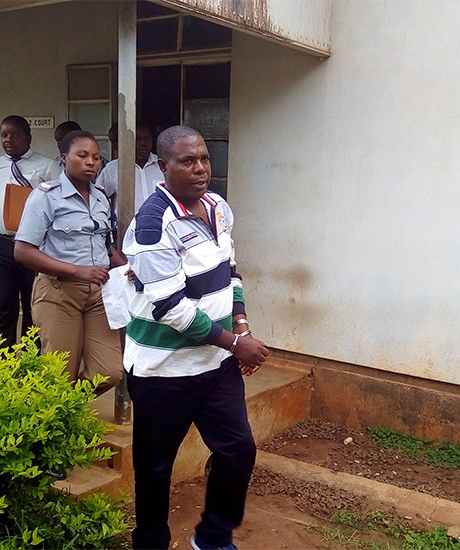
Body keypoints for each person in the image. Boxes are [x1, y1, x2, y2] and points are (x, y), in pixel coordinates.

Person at [122, 125, 270, 550]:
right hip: (162, 373)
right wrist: (236, 345)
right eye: (187, 161)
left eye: (204, 158)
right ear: (163, 167)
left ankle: (213, 538)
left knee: (238, 451)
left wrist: (240, 325)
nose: (201, 168)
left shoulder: (218, 207)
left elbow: (230, 272)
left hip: (215, 366)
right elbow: (171, 308)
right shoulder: (152, 225)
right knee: (155, 470)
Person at [14, 130, 125, 397]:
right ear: (64, 157)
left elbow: (104, 245)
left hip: (98, 295)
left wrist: (126, 269)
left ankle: (64, 404)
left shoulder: (100, 197)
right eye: (82, 155)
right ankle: (56, 412)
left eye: (96, 157)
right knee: (59, 373)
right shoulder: (45, 196)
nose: (91, 162)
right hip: (58, 292)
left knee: (109, 371)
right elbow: (23, 251)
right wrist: (78, 271)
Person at [0, 115, 59, 347]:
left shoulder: (48, 166)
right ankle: (2, 361)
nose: (9, 139)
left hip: (34, 247)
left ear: (28, 137)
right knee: (2, 306)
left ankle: (30, 361)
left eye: (16, 135)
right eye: (4, 135)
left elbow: (57, 206)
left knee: (32, 306)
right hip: (1, 244)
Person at [95, 122, 162, 223]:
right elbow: (98, 198)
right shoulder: (114, 168)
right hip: (126, 228)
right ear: (129, 140)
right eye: (138, 139)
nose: (143, 143)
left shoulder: (163, 166)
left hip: (160, 226)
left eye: (147, 139)